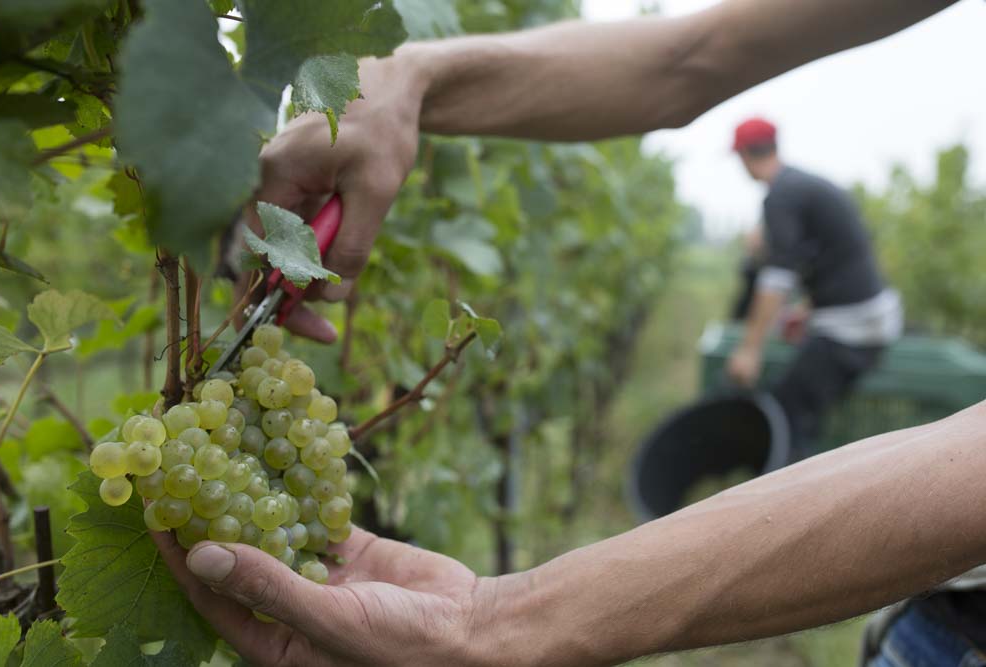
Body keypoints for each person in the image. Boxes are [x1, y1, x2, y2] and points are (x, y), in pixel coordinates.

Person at [155, 1, 986, 665]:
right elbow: (694, 53)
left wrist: (511, 621)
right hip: (939, 613)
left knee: (796, 406)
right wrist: (410, 81)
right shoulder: (791, 190)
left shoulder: (784, 195)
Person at [725, 117, 903, 461]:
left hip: (853, 327)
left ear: (744, 155)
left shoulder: (781, 195)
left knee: (785, 411)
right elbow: (836, 256)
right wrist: (807, 310)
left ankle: (795, 498)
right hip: (870, 315)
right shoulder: (801, 186)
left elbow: (777, 277)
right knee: (798, 401)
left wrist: (749, 350)